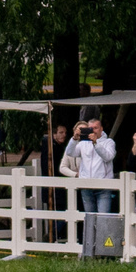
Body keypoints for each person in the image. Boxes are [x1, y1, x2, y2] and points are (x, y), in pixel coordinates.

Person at [58, 108, 117, 259]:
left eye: (96, 128)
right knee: (89, 220)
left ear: (101, 129)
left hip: (103, 186)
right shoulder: (83, 144)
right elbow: (71, 153)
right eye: (91, 128)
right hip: (86, 186)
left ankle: (104, 253)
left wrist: (96, 143)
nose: (93, 130)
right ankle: (89, 253)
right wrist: (74, 138)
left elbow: (108, 157)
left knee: (103, 219)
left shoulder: (109, 142)